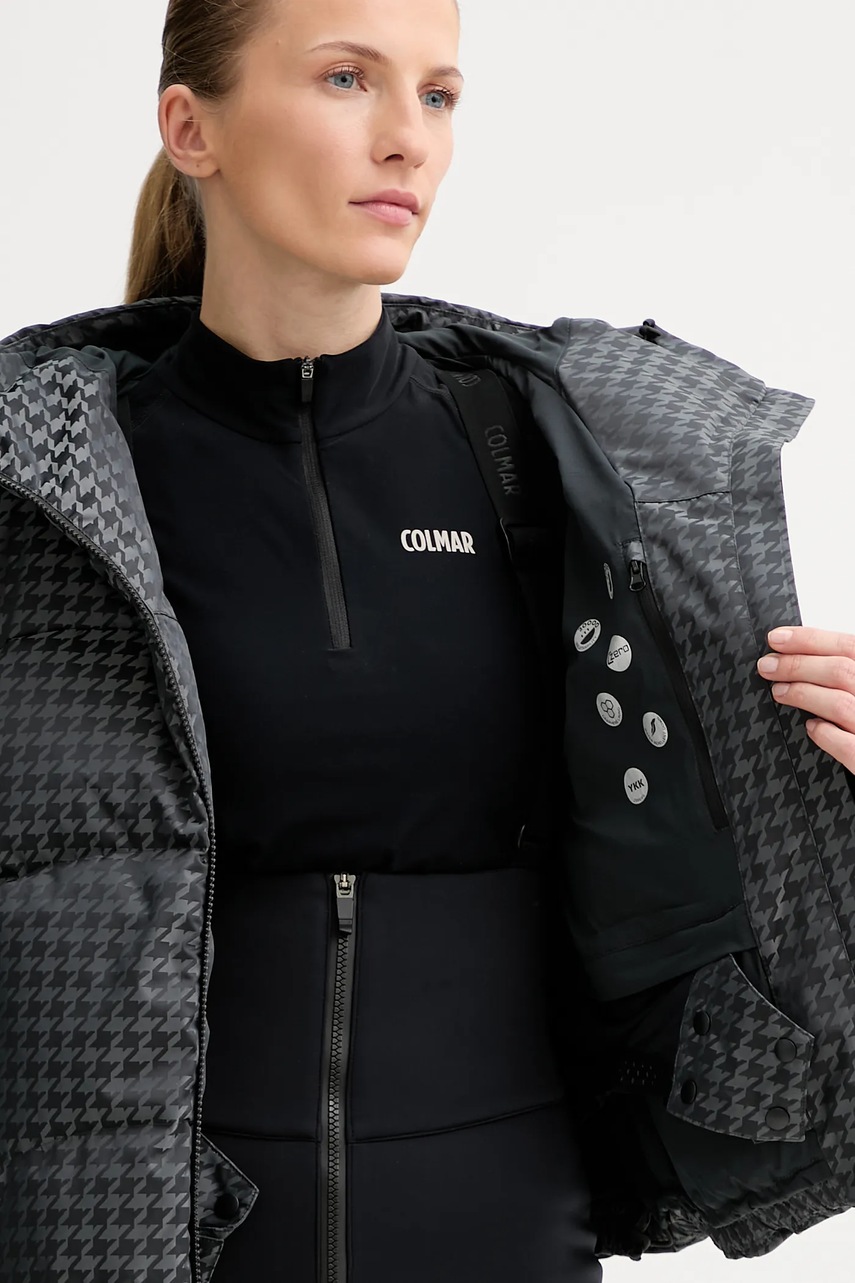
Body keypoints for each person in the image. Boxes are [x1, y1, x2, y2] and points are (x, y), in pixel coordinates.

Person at [2, 0, 855, 1280]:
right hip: (133, 1244)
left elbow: (753, 887)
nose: (407, 137)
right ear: (191, 127)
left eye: (439, 94)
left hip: (505, 1230)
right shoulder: (46, 497)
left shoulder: (555, 463)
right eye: (348, 78)